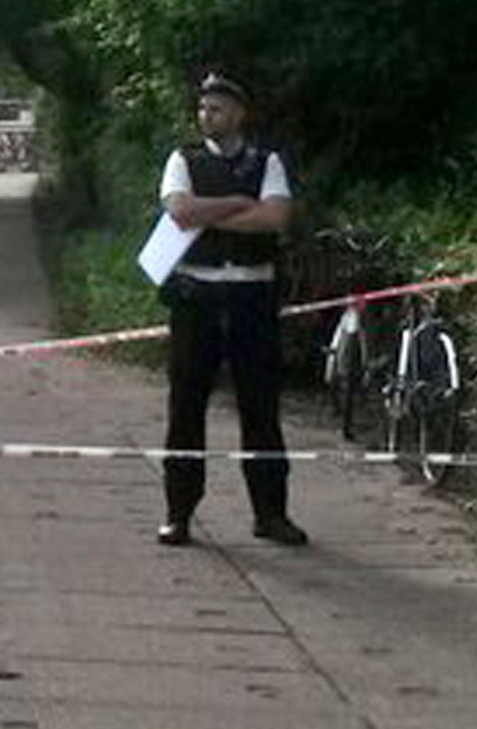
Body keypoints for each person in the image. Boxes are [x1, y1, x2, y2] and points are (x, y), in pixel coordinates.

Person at [154, 71, 307, 547]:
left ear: (239, 113)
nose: (206, 115)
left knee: (260, 408)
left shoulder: (268, 161)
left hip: (250, 297)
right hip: (196, 297)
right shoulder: (184, 158)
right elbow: (179, 212)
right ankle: (179, 512)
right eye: (202, 108)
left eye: (216, 108)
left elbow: (275, 218)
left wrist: (210, 212)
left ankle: (270, 513)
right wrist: (239, 204)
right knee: (186, 409)